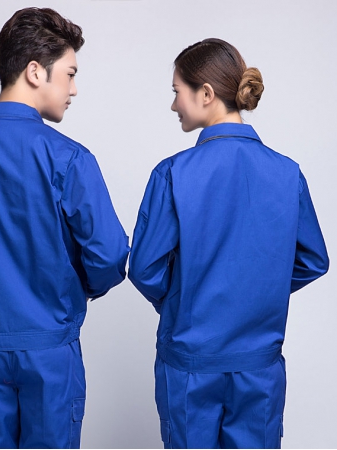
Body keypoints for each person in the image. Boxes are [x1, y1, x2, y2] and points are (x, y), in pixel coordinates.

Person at [0, 7, 129, 449]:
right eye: (69, 74)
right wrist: (73, 291)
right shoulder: (69, 158)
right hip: (49, 351)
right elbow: (109, 256)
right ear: (35, 71)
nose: (74, 89)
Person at [128, 38, 329, 449]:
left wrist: (186, 298)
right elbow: (313, 260)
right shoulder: (287, 172)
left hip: (190, 361)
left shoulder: (173, 173)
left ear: (205, 93)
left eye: (177, 91)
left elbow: (145, 268)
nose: (173, 104)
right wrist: (259, 289)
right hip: (259, 365)